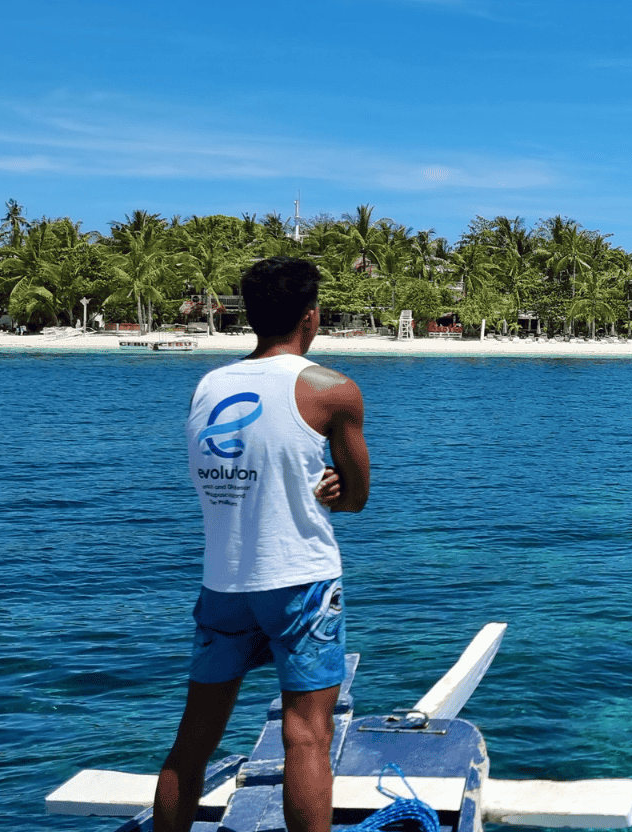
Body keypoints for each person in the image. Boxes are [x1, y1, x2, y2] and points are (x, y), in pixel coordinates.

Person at [152, 257, 370, 832]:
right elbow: (355, 499)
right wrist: (334, 486)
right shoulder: (333, 390)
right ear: (311, 315)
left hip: (223, 582)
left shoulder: (210, 385)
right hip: (298, 580)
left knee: (192, 741)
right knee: (306, 738)